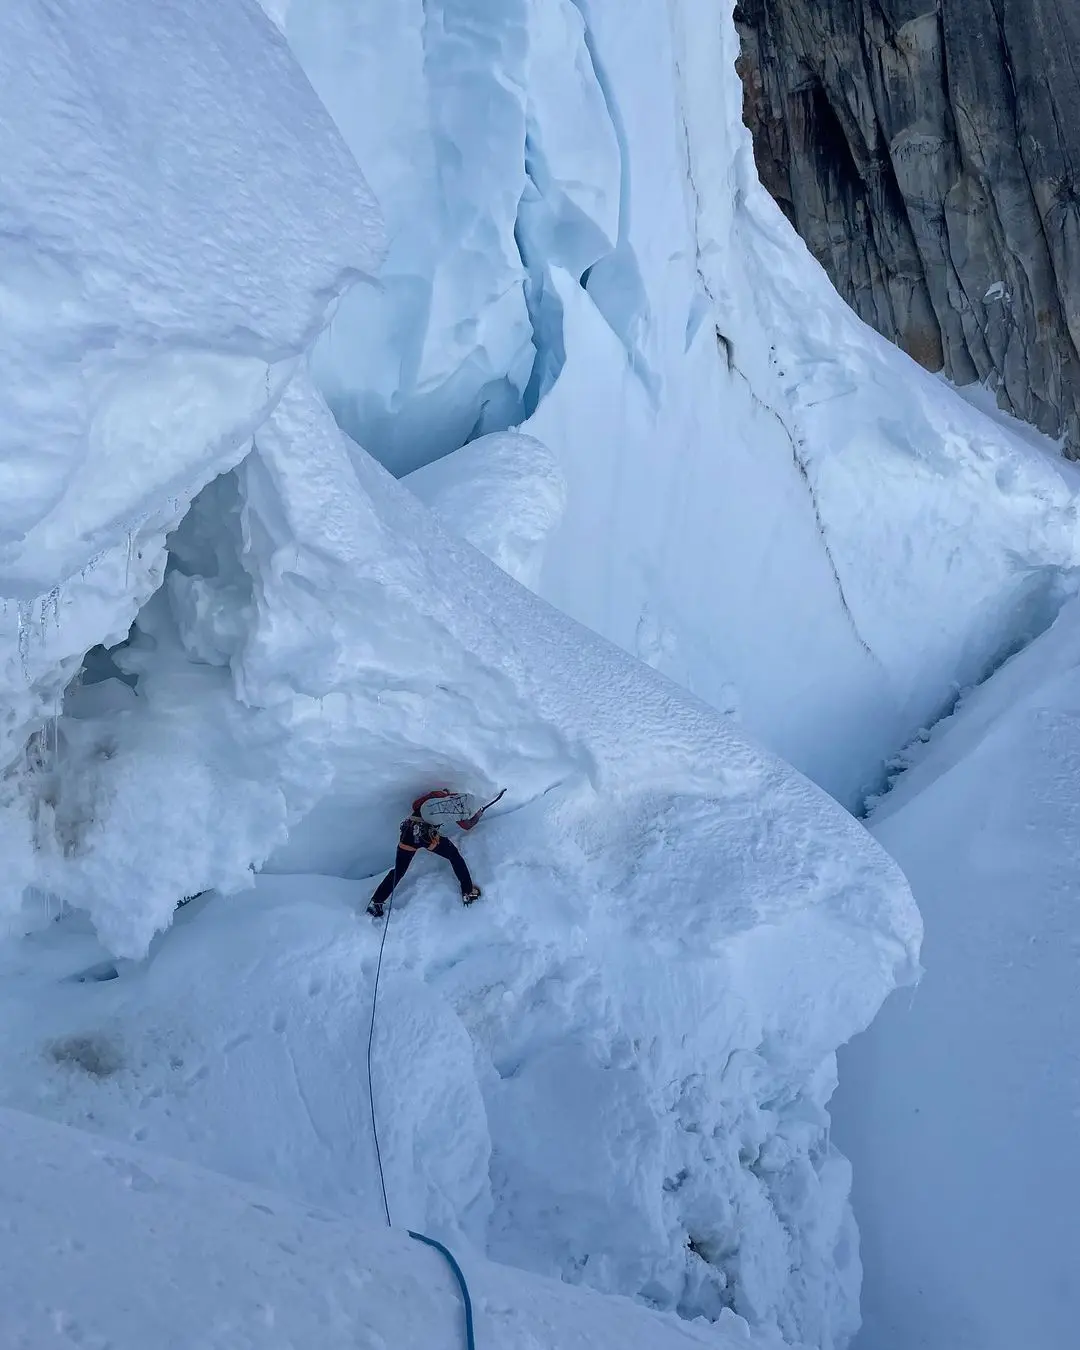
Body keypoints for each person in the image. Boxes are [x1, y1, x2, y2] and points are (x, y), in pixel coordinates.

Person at [367, 789, 482, 918]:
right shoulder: (457, 810)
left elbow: (415, 805)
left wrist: (438, 794)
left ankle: (376, 902)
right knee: (454, 856)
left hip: (409, 833)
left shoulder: (439, 797)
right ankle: (468, 892)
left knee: (398, 871)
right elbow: (467, 825)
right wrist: (478, 815)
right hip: (427, 836)